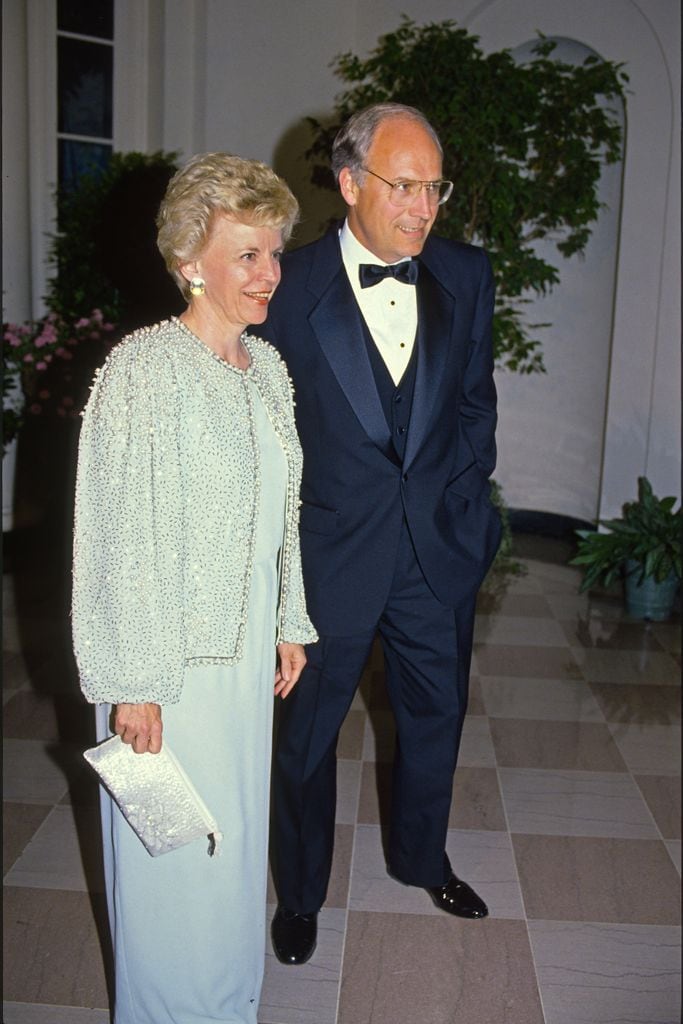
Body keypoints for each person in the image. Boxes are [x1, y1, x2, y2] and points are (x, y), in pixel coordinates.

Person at [71, 153, 317, 1024]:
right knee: (172, 853)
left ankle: (225, 1004)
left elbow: (281, 510)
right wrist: (133, 682)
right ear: (189, 261)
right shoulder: (145, 370)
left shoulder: (270, 371)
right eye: (245, 254)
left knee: (232, 845)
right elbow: (116, 539)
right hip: (167, 666)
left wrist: (289, 619)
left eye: (274, 252)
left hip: (246, 658)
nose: (268, 274)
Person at [259, 103, 502, 966]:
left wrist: (468, 516)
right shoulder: (285, 287)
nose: (425, 207)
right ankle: (300, 894)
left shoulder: (466, 275)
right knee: (306, 737)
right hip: (326, 559)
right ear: (350, 182)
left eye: (435, 187)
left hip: (436, 552)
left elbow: (475, 406)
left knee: (436, 716)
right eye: (405, 186)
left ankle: (420, 858)